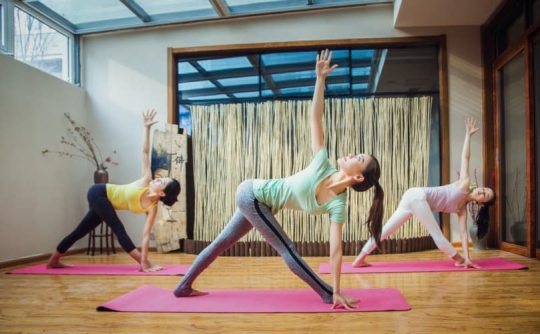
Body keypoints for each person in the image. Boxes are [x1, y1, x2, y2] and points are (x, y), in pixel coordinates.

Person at [173, 50, 384, 310]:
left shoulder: (337, 205)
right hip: (252, 194)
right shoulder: (322, 163)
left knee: (222, 242)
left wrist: (340, 288)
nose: (352, 153)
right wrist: (320, 80)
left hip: (261, 204)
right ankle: (326, 294)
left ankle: (183, 286)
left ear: (358, 176)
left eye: (358, 157)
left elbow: (336, 250)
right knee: (288, 248)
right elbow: (315, 118)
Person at [46, 110, 181, 272]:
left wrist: (145, 258)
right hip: (99, 192)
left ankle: (53, 260)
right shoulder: (146, 179)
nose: (157, 178)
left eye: (162, 181)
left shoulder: (152, 208)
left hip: (105, 202)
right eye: (160, 177)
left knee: (80, 231)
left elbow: (145, 235)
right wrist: (146, 129)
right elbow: (144, 152)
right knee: (118, 227)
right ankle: (144, 264)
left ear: (162, 194)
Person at [352, 118, 495, 269]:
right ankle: (458, 259)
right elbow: (465, 158)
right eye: (484, 189)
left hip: (413, 198)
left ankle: (359, 260)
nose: (482, 190)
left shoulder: (462, 211)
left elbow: (464, 235)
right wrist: (468, 135)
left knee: (386, 231)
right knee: (437, 235)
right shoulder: (465, 183)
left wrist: (469, 257)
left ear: (481, 203)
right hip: (417, 196)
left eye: (484, 194)